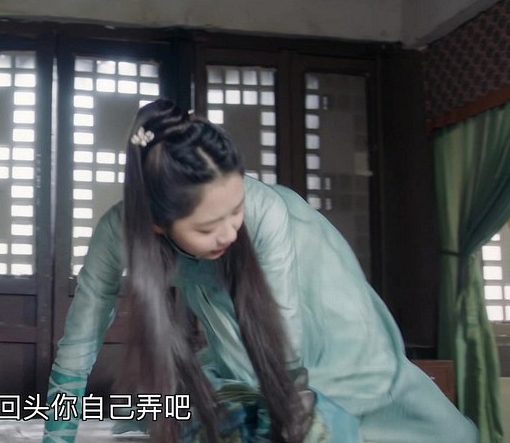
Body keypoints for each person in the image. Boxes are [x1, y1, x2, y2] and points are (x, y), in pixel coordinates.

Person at [43, 99, 478, 443]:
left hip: (309, 279)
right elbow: (78, 346)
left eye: (235, 209)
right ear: (158, 223)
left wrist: (294, 410)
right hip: (232, 304)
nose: (229, 232)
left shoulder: (262, 211)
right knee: (234, 394)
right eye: (207, 227)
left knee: (370, 397)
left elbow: (282, 334)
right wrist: (56, 436)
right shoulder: (115, 235)